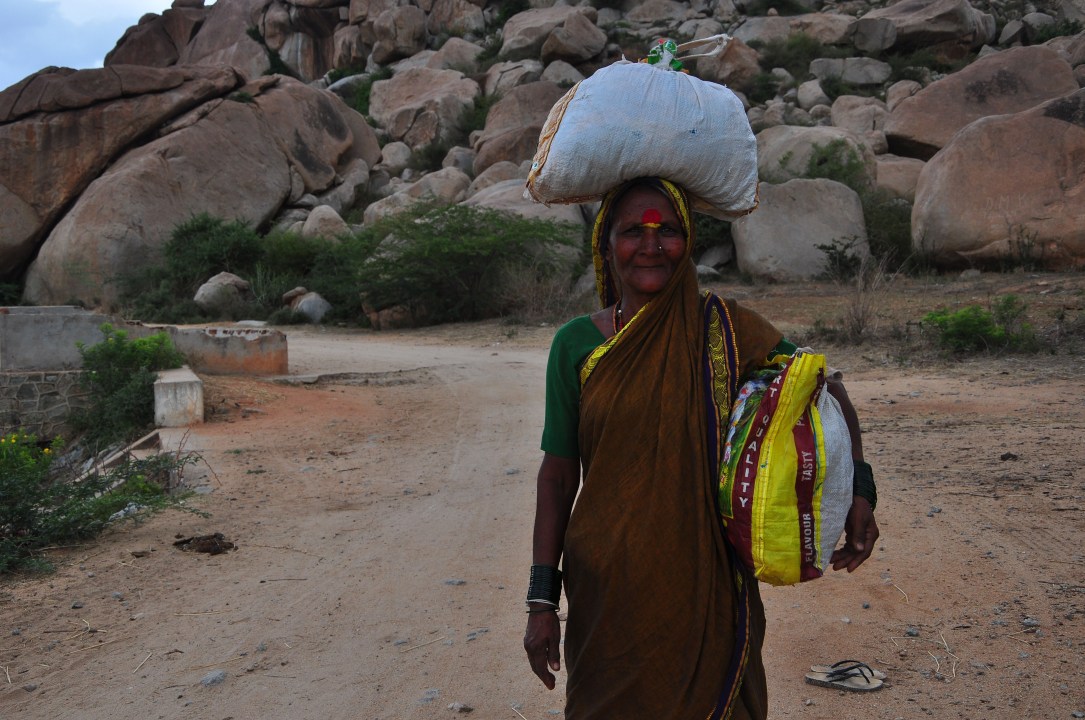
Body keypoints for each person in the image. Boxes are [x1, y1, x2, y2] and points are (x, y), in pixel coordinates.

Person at [523, 177, 879, 719]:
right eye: (632, 232)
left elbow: (824, 385)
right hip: (607, 590)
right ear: (605, 244)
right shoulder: (576, 344)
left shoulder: (727, 329)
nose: (650, 245)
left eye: (667, 230)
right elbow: (557, 477)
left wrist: (861, 492)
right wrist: (542, 600)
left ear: (687, 241)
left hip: (708, 583)